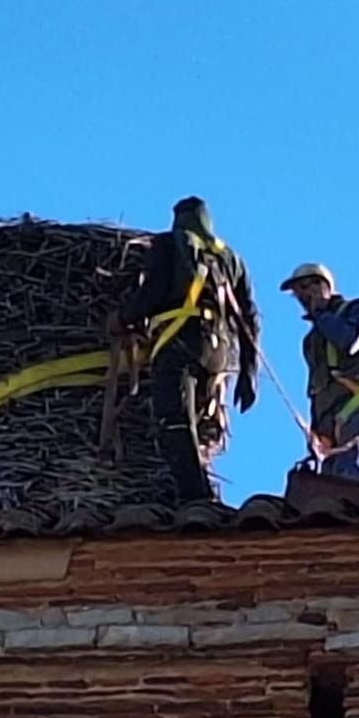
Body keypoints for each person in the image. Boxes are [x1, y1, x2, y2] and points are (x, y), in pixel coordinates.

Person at [111, 197, 260, 502]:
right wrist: (248, 372)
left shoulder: (168, 245)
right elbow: (250, 319)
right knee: (195, 421)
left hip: (180, 343)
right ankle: (199, 487)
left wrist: (123, 317)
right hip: (216, 354)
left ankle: (196, 498)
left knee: (174, 421)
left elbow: (153, 290)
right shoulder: (230, 259)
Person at [280, 262, 359, 482]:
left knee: (351, 488)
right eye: (297, 292)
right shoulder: (311, 341)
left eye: (306, 287)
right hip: (328, 424)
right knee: (325, 495)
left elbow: (348, 341)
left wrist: (321, 312)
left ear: (323, 286)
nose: (302, 297)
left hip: (357, 409)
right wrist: (316, 438)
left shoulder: (358, 310)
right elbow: (317, 390)